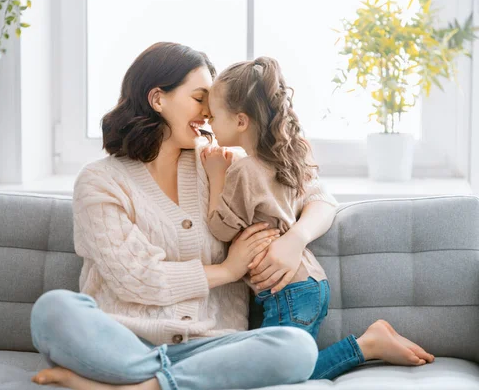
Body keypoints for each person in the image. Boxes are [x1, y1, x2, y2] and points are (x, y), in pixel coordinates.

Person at [29, 43, 433, 390]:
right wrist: (227, 269)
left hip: (216, 345)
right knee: (53, 310)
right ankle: (171, 380)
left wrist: (294, 241)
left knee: (294, 348)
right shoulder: (101, 180)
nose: (209, 113)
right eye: (199, 97)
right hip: (123, 338)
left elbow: (317, 194)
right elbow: (138, 278)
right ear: (158, 98)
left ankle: (143, 385)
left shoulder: (222, 165)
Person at [201, 56, 434, 380]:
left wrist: (216, 176)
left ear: (241, 121)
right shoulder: (282, 160)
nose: (208, 123)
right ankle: (370, 343)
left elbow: (221, 228)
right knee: (286, 366)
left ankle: (367, 345)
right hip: (308, 284)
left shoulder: (243, 170)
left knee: (281, 375)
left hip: (287, 292)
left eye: (213, 116)